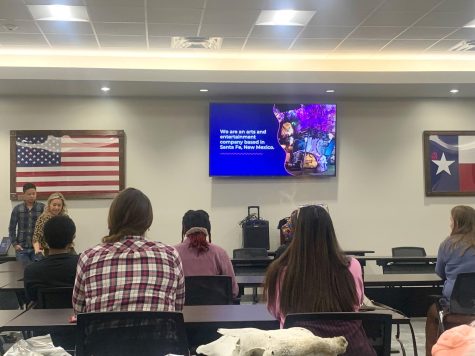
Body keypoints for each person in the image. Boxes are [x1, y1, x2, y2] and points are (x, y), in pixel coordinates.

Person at [264, 205, 372, 355]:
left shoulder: (279, 270)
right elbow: (356, 304)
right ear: (330, 230)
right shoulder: (352, 265)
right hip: (349, 348)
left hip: (299, 349)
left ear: (295, 233)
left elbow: (276, 311)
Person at [72, 187, 185, 314]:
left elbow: (79, 311)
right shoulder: (170, 256)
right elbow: (178, 308)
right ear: (148, 220)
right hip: (157, 334)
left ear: (112, 218)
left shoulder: (89, 258)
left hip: (104, 334)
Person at [425, 205, 475, 356]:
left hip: (455, 307)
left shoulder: (448, 244)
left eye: (451, 220)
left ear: (458, 223)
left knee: (432, 312)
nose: (450, 224)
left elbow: (439, 272)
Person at [174, 209, 239, 298]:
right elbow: (233, 290)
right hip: (216, 310)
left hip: (183, 310)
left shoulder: (173, 253)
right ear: (208, 229)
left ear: (184, 229)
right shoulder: (220, 253)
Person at [23, 215, 79, 304]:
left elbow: (31, 297)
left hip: (42, 316)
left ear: (45, 239)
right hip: (77, 315)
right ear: (72, 238)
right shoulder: (82, 265)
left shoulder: (31, 270)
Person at [8, 183, 45, 265]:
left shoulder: (42, 208)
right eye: (29, 194)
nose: (32, 196)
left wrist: (43, 244)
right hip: (22, 248)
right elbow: (12, 228)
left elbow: (46, 227)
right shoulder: (17, 209)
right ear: (24, 195)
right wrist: (15, 244)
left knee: (37, 271)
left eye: (33, 194)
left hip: (37, 248)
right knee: (22, 273)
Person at [32, 192, 69, 257]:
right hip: (49, 251)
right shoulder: (42, 218)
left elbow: (71, 235)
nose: (56, 208)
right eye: (54, 205)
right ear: (49, 205)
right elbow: (36, 238)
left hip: (64, 251)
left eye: (59, 205)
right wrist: (37, 250)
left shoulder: (66, 218)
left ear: (62, 206)